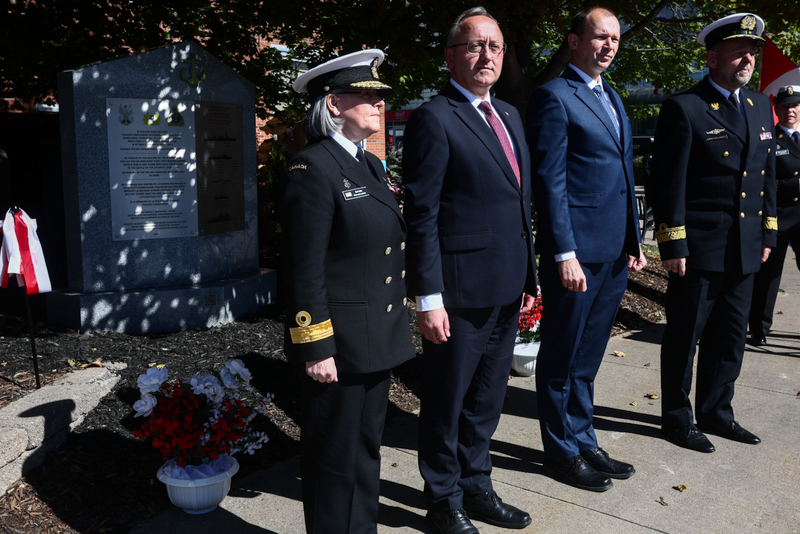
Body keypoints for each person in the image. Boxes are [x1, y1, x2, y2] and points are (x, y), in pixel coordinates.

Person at [402, 7, 536, 534]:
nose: (487, 55)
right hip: (458, 292)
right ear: (450, 56)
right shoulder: (435, 118)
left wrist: (529, 280)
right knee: (447, 401)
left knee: (487, 400)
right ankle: (443, 500)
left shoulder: (509, 115)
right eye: (475, 46)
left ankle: (477, 485)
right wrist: (428, 297)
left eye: (495, 46)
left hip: (506, 285)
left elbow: (519, 205)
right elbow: (422, 213)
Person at [280, 49, 415, 534]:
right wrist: (315, 345)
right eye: (367, 95)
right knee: (332, 463)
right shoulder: (311, 168)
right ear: (333, 103)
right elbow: (303, 270)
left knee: (364, 454)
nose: (380, 103)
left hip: (375, 336)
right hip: (338, 346)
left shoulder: (370, 165)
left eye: (381, 96)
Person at [525, 6, 645, 493]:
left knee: (589, 355)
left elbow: (623, 176)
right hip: (576, 256)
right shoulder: (555, 97)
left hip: (613, 253)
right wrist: (563, 253)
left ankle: (582, 437)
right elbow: (550, 183)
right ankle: (560, 451)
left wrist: (634, 241)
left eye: (615, 37)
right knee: (562, 356)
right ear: (574, 42)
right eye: (600, 36)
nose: (609, 45)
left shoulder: (610, 95)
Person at [650, 13, 777, 453]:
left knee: (730, 336)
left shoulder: (760, 105)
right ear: (712, 58)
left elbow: (766, 177)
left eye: (752, 53)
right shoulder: (686, 107)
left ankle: (717, 412)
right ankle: (677, 418)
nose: (748, 60)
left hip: (745, 246)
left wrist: (768, 234)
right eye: (739, 52)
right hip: (700, 248)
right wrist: (673, 242)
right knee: (685, 337)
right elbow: (668, 183)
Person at [749, 85, 800, 346]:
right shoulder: (769, 138)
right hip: (776, 216)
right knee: (768, 276)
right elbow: (764, 179)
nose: (790, 110)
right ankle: (759, 328)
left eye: (795, 106)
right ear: (777, 110)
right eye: (784, 106)